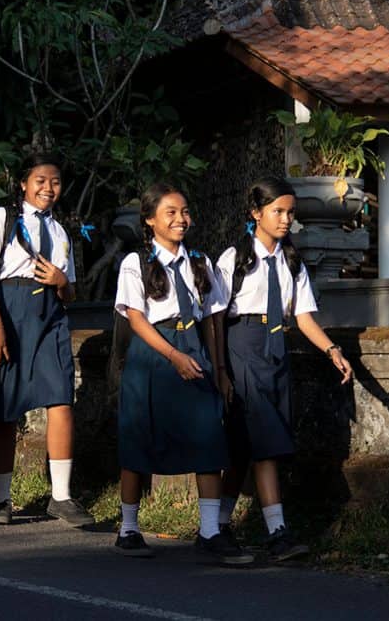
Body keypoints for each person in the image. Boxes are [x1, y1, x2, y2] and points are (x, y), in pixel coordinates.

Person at [113, 182, 252, 564]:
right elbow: (136, 318)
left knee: (209, 437)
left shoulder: (200, 263)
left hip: (194, 350)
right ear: (149, 220)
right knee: (141, 436)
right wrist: (172, 355)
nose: (181, 219)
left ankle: (209, 531)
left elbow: (212, 318)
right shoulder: (136, 263)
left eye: (185, 212)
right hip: (154, 353)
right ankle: (128, 528)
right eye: (170, 213)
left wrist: (220, 369)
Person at [215, 176, 352, 560]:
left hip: (276, 350)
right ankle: (278, 533)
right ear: (256, 213)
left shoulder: (292, 261)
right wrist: (221, 368)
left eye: (290, 212)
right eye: (277, 211)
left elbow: (303, 316)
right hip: (242, 345)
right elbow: (215, 315)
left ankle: (218, 525)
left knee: (247, 445)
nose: (286, 219)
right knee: (266, 444)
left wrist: (332, 350)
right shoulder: (236, 258)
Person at [0, 153, 92, 528]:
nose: (48, 189)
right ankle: (2, 498)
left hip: (51, 317)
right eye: (40, 180)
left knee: (60, 399)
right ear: (23, 183)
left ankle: (61, 495)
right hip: (10, 312)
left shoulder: (60, 233)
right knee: (5, 410)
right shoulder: (1, 219)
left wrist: (62, 283)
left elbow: (70, 292)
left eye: (55, 182)